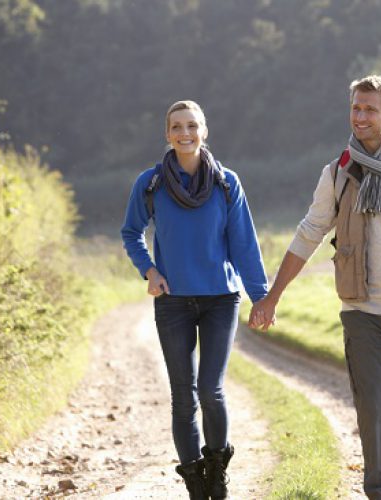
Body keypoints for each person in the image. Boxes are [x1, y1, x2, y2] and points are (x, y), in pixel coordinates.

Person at [250, 75, 381, 500]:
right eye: (355, 108)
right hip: (362, 312)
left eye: (370, 109)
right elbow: (310, 232)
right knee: (375, 410)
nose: (360, 117)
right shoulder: (338, 172)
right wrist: (273, 296)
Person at [121, 100, 268, 499]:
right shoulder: (149, 184)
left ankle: (217, 472)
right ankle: (196, 487)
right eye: (176, 127)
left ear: (204, 131)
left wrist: (261, 296)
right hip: (173, 304)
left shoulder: (226, 183)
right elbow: (131, 232)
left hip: (221, 300)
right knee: (183, 398)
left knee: (210, 390)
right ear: (167, 134)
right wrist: (149, 271)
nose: (184, 133)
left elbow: (243, 245)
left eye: (191, 126)